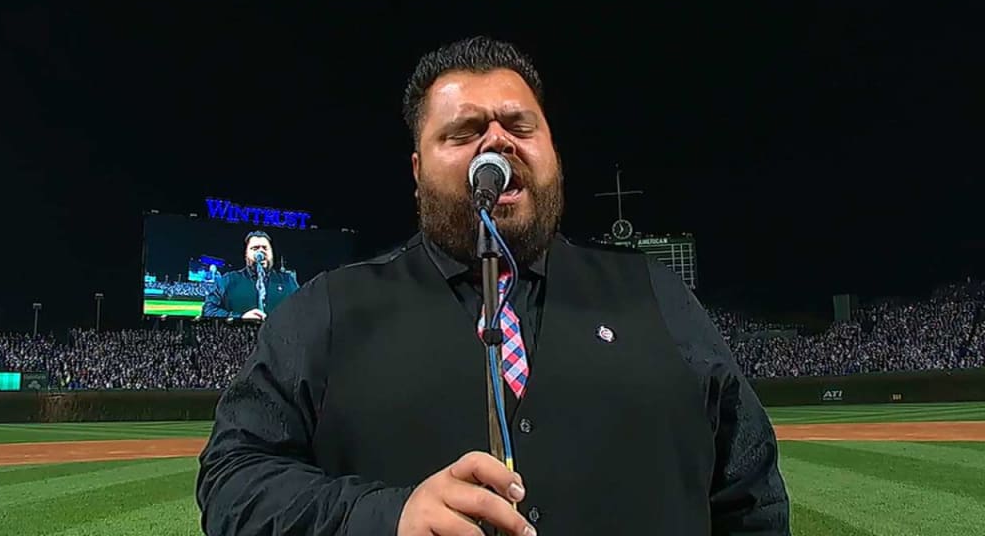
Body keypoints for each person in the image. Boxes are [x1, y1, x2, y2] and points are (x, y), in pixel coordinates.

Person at [197, 36, 790, 535]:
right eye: (464, 131)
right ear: (417, 171)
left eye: (519, 125)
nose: (497, 141)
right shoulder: (324, 310)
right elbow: (232, 481)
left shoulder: (658, 295)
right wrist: (384, 516)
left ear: (552, 152)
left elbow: (750, 494)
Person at [201, 230, 299, 321]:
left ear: (272, 254)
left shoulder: (288, 281)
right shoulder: (228, 280)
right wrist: (240, 318)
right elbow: (208, 310)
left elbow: (303, 311)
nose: (261, 252)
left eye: (265, 248)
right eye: (255, 248)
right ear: (246, 255)